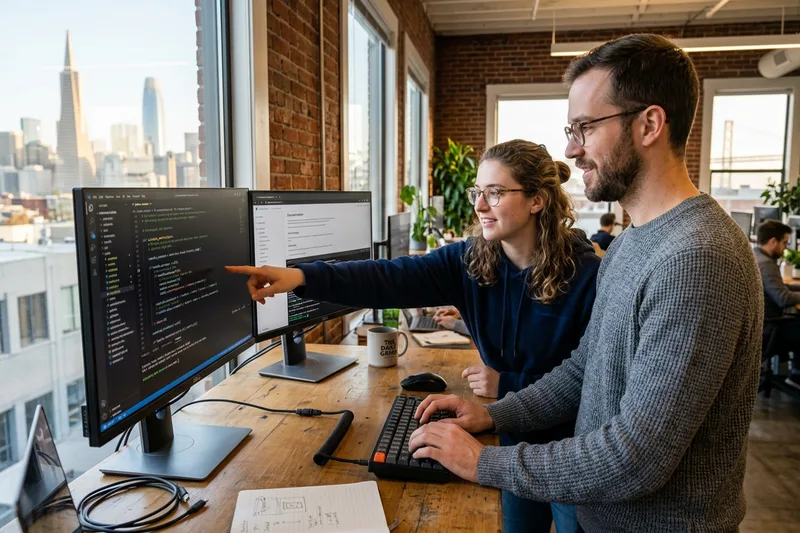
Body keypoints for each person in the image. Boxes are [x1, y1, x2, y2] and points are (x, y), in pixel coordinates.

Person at [406, 33, 763, 532]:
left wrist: (482, 462)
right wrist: (495, 416)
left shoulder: (696, 259)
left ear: (650, 124)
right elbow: (585, 369)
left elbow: (635, 457)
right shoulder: (634, 241)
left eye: (586, 128)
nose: (571, 149)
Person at [228, 140, 601, 533]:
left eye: (495, 193)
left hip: (567, 450)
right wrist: (303, 277)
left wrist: (507, 383)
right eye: (479, 192)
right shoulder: (472, 261)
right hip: (504, 435)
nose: (479, 205)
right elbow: (388, 277)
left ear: (536, 200)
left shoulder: (586, 276)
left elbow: (590, 383)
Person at [754, 220, 800, 389]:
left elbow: (780, 287)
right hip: (770, 328)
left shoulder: (757, 256)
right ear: (773, 241)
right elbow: (782, 297)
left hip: (766, 323)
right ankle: (796, 375)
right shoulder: (766, 264)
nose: (785, 248)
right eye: (785, 243)